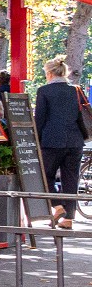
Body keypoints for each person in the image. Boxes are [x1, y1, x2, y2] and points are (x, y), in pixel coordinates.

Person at [35, 55, 87, 230]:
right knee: (71, 178)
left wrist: (35, 139)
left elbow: (40, 119)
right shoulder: (75, 90)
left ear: (49, 73)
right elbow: (80, 116)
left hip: (51, 141)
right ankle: (69, 219)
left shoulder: (44, 91)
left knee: (45, 175)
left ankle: (57, 206)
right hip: (75, 141)